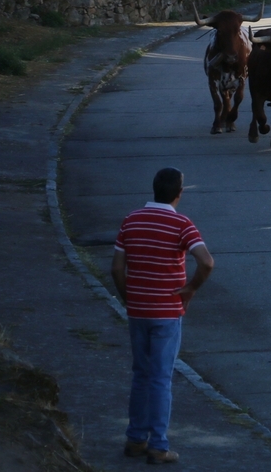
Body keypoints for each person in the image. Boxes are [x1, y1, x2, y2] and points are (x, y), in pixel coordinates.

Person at [112, 168, 214, 465]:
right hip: (167, 312)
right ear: (179, 194)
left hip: (138, 310)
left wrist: (129, 298)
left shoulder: (131, 220)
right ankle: (158, 445)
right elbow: (206, 262)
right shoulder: (182, 224)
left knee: (140, 374)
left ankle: (135, 438)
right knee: (161, 378)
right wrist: (191, 288)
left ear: (154, 189)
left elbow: (117, 268)